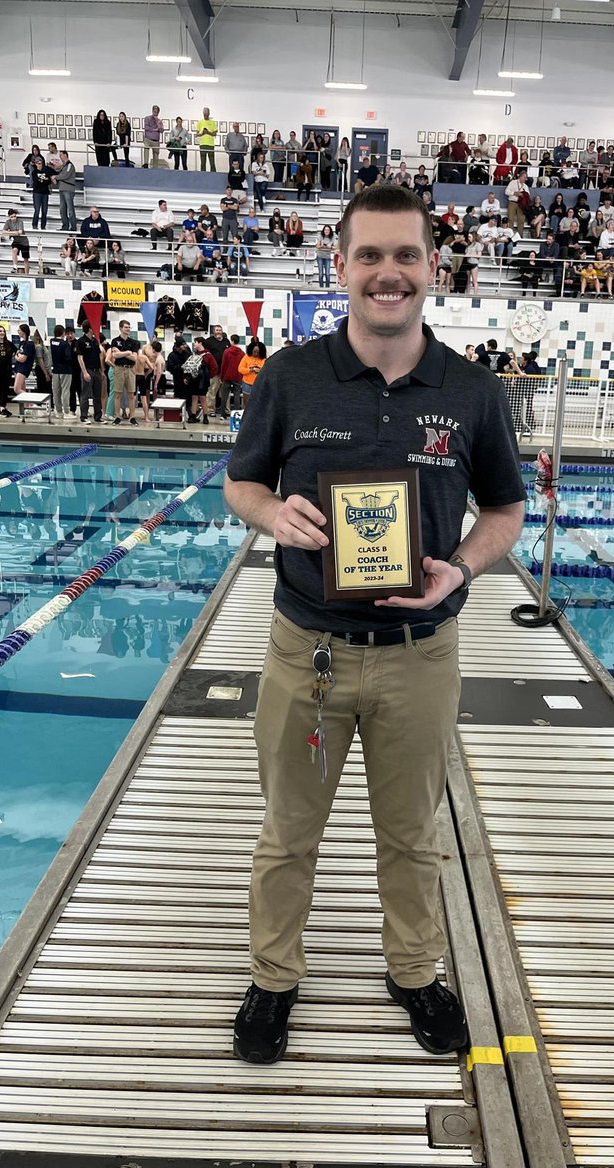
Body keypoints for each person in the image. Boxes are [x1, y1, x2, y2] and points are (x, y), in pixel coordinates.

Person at [224, 183, 525, 1066]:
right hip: (304, 649)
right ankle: (273, 978)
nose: (387, 274)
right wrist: (270, 514)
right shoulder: (290, 376)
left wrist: (459, 570)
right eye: (369, 256)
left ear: (433, 267)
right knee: (288, 831)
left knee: (413, 833)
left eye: (405, 255)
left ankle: (414, 971)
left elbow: (505, 509)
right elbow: (241, 481)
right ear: (341, 267)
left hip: (419, 656)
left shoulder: (470, 390)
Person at [107, 319, 140, 425]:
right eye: (126, 327)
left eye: (129, 327)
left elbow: (135, 358)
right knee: (117, 394)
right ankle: (117, 416)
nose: (128, 329)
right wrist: (127, 352)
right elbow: (114, 355)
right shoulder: (115, 341)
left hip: (130, 369)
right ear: (121, 328)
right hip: (119, 368)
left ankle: (132, 416)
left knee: (131, 394)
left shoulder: (133, 342)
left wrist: (120, 353)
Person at [76, 320, 103, 425]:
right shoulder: (81, 341)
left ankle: (98, 416)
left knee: (97, 395)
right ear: (90, 328)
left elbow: (99, 356)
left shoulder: (95, 341)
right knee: (85, 395)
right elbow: (80, 357)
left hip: (96, 370)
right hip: (87, 370)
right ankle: (83, 416)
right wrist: (84, 372)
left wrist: (102, 371)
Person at [0, 325, 16, 416]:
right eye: (0, 331)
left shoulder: (9, 344)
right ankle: (1, 407)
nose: (2, 333)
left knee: (5, 389)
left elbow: (15, 352)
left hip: (7, 369)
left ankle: (3, 407)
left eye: (3, 331)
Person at [48, 324, 73, 419]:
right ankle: (66, 411)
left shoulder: (52, 341)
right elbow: (68, 357)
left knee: (56, 391)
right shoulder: (65, 344)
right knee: (65, 391)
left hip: (56, 370)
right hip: (66, 370)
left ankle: (58, 411)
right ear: (63, 333)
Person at [218, 334, 244, 416]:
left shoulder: (227, 351)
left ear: (232, 341)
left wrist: (222, 376)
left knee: (224, 395)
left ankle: (223, 414)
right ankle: (235, 414)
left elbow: (223, 365)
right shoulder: (242, 353)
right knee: (237, 395)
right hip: (237, 376)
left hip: (227, 375)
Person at [12, 322, 36, 406]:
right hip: (18, 367)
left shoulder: (29, 343)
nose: (18, 331)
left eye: (19, 330)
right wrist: (18, 356)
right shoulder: (22, 343)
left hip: (24, 368)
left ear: (23, 331)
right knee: (22, 388)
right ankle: (27, 406)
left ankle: (33, 402)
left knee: (17, 388)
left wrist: (17, 357)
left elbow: (22, 359)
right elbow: (17, 354)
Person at [54, 150, 78, 231]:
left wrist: (56, 177)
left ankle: (73, 226)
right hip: (62, 189)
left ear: (65, 155)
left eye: (61, 155)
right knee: (62, 209)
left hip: (68, 189)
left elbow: (65, 175)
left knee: (70, 209)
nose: (60, 157)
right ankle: (65, 225)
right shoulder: (63, 166)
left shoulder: (69, 165)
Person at [1, 208, 30, 273]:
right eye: (12, 217)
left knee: (25, 259)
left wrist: (10, 232)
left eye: (14, 216)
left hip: (24, 242)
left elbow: (20, 232)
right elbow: (3, 231)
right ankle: (15, 267)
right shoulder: (8, 222)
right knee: (14, 250)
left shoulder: (20, 221)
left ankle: (27, 274)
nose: (13, 218)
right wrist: (14, 233)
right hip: (16, 241)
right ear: (9, 217)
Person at [238, 338, 266, 403]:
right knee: (246, 401)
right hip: (247, 383)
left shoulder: (263, 359)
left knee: (258, 401)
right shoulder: (246, 357)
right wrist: (251, 370)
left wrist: (260, 371)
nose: (256, 354)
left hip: (259, 383)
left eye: (258, 352)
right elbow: (240, 369)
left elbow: (267, 372)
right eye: (254, 352)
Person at [29, 155, 54, 229]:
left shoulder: (45, 171)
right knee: (37, 210)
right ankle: (34, 224)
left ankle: (43, 226)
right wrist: (44, 181)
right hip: (37, 193)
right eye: (38, 163)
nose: (40, 165)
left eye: (41, 163)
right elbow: (36, 182)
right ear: (36, 164)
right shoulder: (34, 172)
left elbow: (49, 181)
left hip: (45, 193)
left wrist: (42, 181)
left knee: (44, 211)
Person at [197, 107, 218, 171]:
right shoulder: (200, 122)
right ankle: (202, 176)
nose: (205, 116)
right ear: (203, 113)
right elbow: (197, 134)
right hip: (202, 144)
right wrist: (202, 133)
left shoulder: (213, 122)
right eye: (204, 114)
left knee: (212, 162)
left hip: (210, 145)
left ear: (209, 114)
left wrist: (208, 132)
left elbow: (214, 134)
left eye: (206, 114)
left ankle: (214, 175)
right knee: (203, 162)